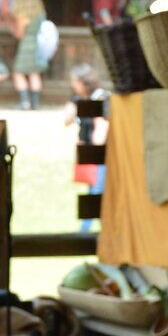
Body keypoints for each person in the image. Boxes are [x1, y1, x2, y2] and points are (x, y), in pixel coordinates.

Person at [63, 63, 109, 233]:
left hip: (101, 155)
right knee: (94, 190)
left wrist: (94, 156)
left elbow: (101, 130)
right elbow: (66, 121)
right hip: (88, 151)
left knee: (96, 191)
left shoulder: (100, 98)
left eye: (75, 82)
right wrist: (73, 102)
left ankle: (84, 231)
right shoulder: (78, 99)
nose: (73, 85)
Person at [8, 0, 51, 110]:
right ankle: (36, 103)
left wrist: (11, 26)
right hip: (38, 45)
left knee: (18, 73)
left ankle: (25, 102)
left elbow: (19, 34)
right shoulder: (40, 14)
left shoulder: (23, 17)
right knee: (34, 73)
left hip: (26, 45)